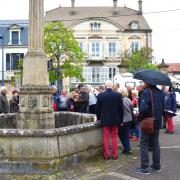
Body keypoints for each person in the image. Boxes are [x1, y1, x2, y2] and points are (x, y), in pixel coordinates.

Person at [133, 81, 164, 174]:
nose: (143, 83)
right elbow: (162, 107)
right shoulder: (160, 92)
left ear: (148, 82)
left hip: (148, 121)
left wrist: (139, 118)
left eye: (144, 82)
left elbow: (143, 109)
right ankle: (157, 165)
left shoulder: (146, 92)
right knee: (155, 143)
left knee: (144, 144)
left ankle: (144, 168)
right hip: (157, 121)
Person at [96, 80, 124, 160]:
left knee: (106, 137)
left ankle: (107, 154)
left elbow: (97, 109)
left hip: (105, 119)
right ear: (112, 86)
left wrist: (98, 118)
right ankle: (114, 154)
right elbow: (121, 109)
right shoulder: (118, 95)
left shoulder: (101, 95)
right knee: (114, 137)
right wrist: (121, 120)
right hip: (115, 119)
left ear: (105, 86)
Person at [118, 87, 133, 155]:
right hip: (129, 119)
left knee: (121, 135)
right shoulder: (128, 100)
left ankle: (127, 149)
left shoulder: (119, 101)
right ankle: (127, 148)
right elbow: (131, 109)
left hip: (122, 120)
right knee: (126, 135)